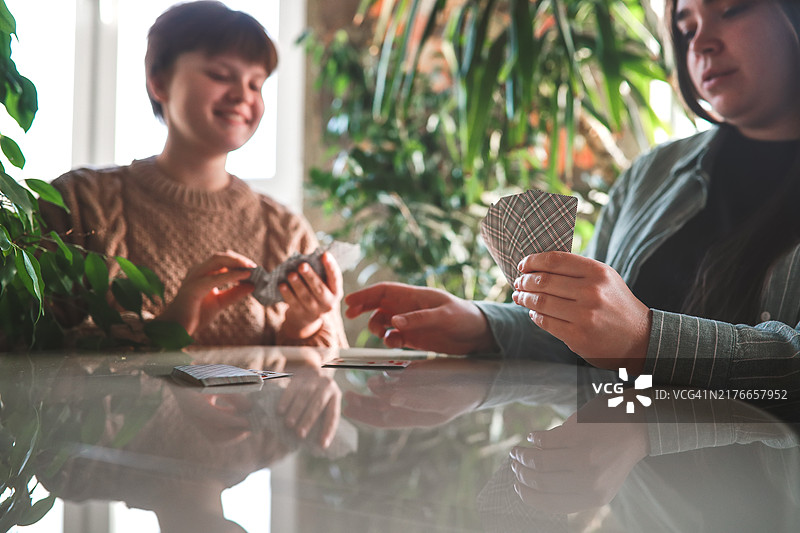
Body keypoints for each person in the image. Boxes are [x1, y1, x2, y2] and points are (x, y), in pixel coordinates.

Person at [346, 0, 800, 391]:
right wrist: (479, 325)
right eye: (686, 28)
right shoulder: (653, 173)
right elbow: (587, 339)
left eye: (732, 10)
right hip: (632, 488)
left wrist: (646, 341)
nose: (701, 43)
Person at [42, 1, 347, 347]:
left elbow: (332, 388)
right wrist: (166, 330)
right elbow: (24, 354)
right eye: (220, 75)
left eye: (256, 84)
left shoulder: (287, 231)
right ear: (159, 82)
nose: (242, 96)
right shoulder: (77, 203)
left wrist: (301, 328)